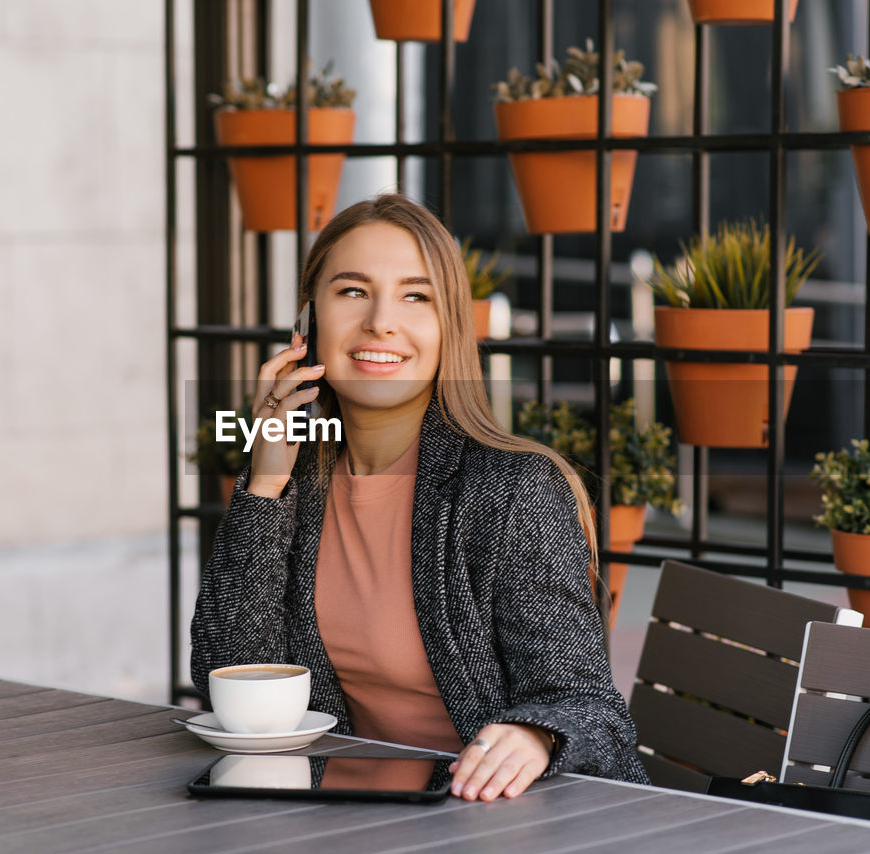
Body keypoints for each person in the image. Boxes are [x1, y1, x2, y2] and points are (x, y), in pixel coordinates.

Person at [191, 193, 648, 801]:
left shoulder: (510, 490)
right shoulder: (294, 484)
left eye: (416, 296)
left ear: (447, 329)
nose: (381, 321)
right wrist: (266, 481)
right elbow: (226, 677)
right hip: (349, 814)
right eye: (352, 291)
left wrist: (536, 737)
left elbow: (590, 710)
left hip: (503, 818)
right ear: (307, 325)